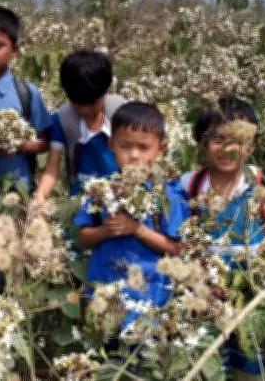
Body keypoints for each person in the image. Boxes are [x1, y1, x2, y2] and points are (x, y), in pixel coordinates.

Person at [181, 96, 265, 380]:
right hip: (205, 298)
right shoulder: (188, 186)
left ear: (251, 146)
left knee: (253, 363)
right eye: (218, 139)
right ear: (201, 143)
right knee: (211, 364)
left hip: (255, 296)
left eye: (238, 140)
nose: (228, 148)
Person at [74, 102, 187, 334]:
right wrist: (104, 231)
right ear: (111, 144)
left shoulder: (168, 195)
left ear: (161, 148)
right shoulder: (102, 190)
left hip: (151, 300)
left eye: (143, 147)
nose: (134, 155)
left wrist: (137, 229)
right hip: (105, 295)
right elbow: (83, 238)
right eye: (125, 146)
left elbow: (178, 249)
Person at [0, 6, 51, 192]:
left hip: (14, 190)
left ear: (15, 50)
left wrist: (17, 145)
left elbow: (43, 142)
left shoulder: (27, 93)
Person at [35, 49, 126, 200]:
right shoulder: (63, 119)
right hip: (80, 201)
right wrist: (39, 197)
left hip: (121, 198)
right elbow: (52, 170)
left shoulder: (123, 114)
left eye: (91, 103)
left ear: (107, 90)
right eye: (76, 103)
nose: (84, 109)